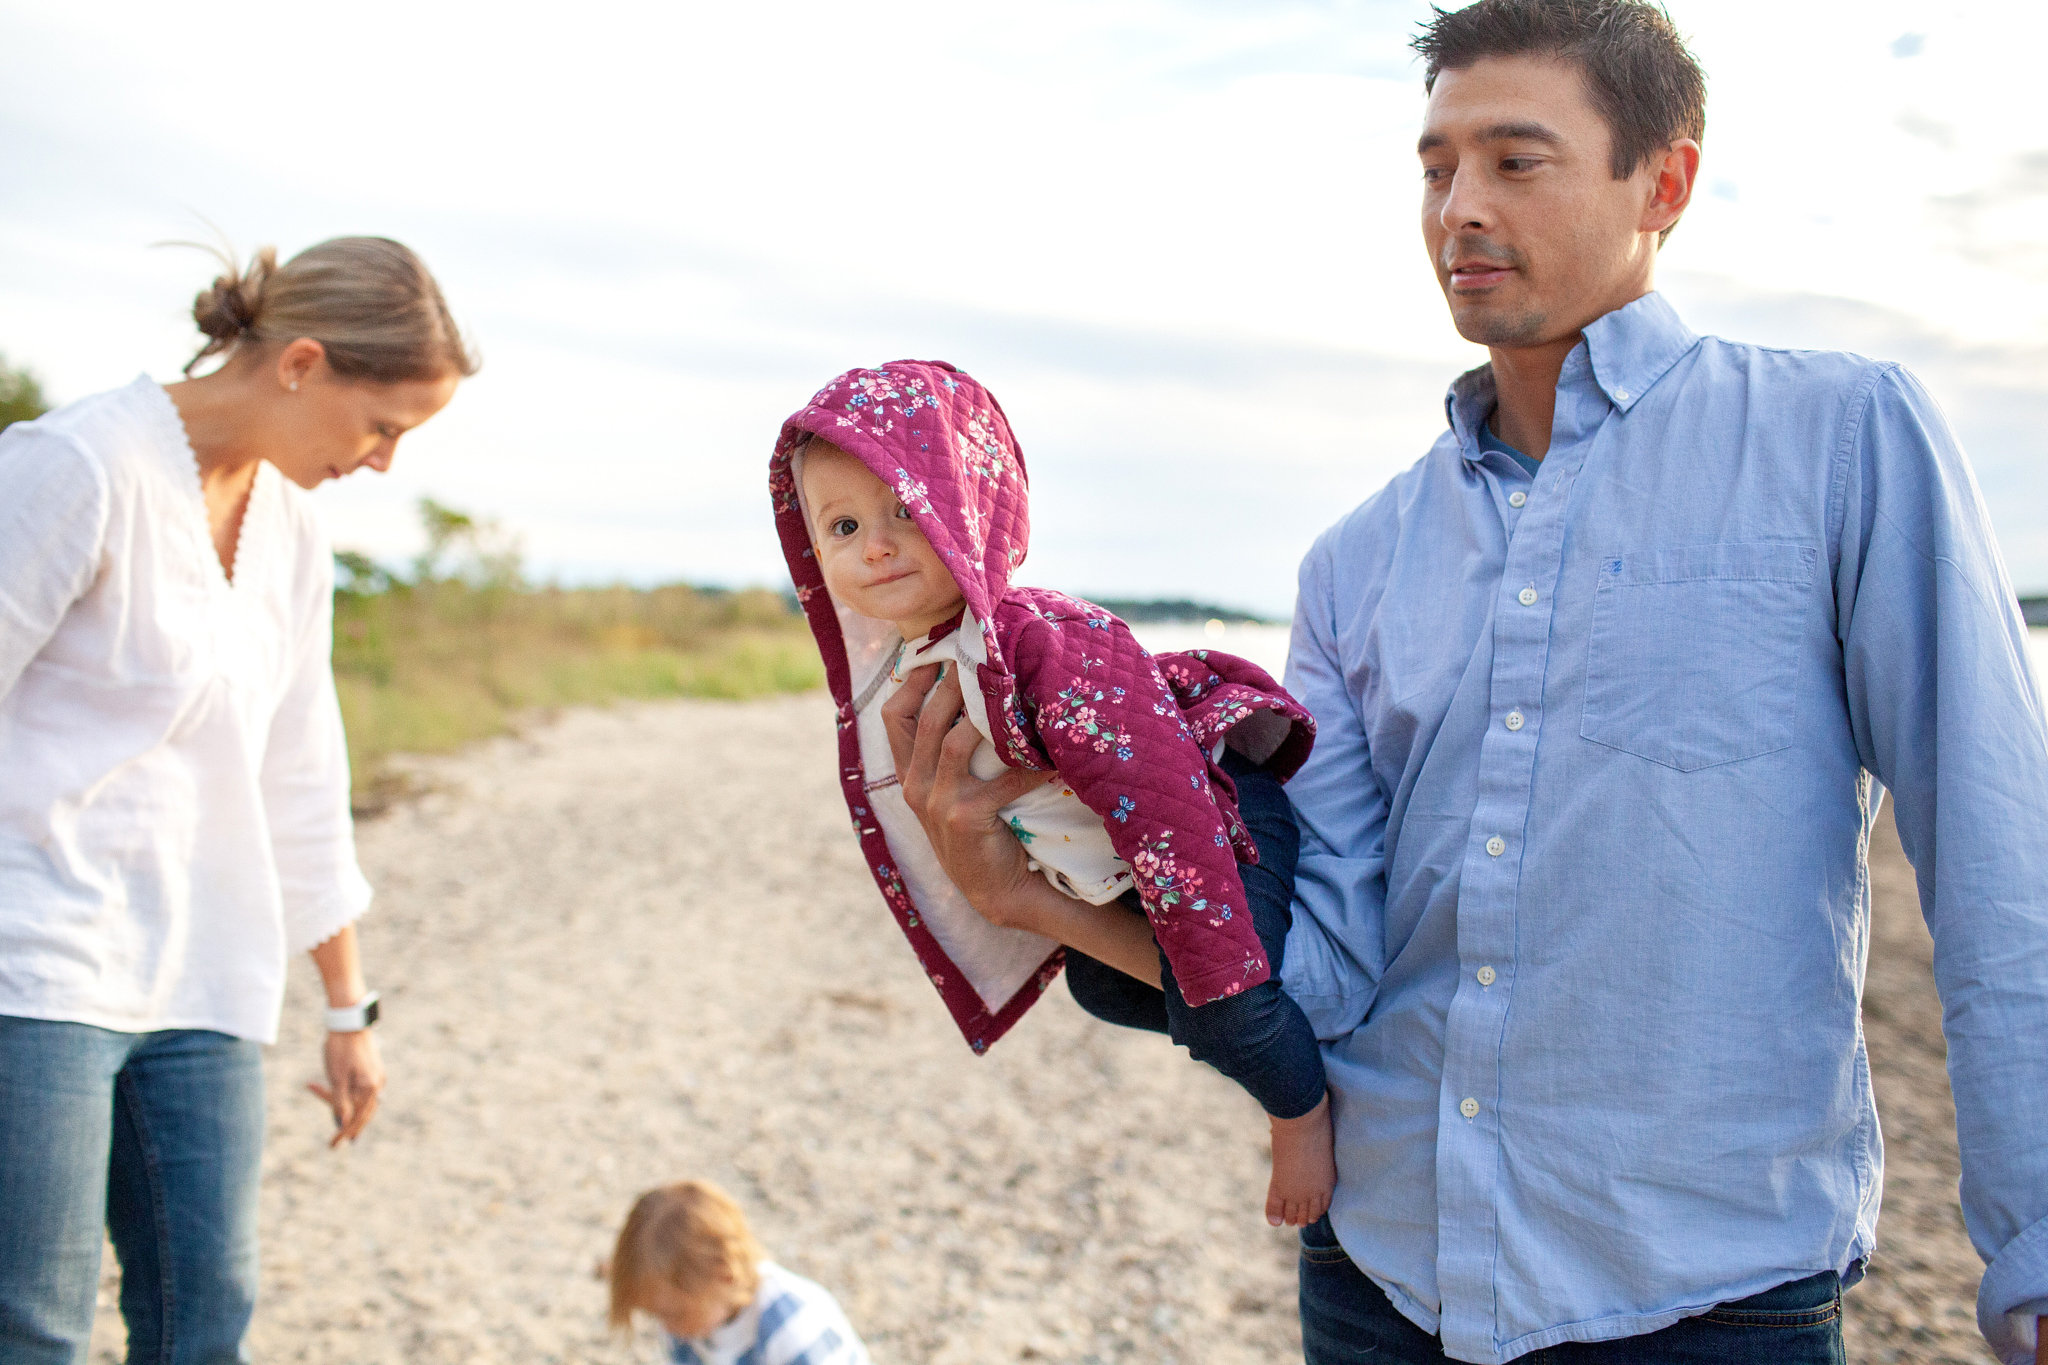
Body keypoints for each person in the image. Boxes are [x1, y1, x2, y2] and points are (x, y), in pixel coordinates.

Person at [1261, 2, 2048, 1362]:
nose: (1461, 208)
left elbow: (1996, 853)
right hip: (1384, 1280)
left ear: (1663, 183)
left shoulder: (1841, 441)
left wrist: (2034, 1242)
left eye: (1518, 160)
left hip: (1707, 1291)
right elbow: (1329, 954)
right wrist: (1049, 881)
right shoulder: (1354, 561)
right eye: (1437, 166)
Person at [0, 236, 475, 1363]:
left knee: (205, 1319)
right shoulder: (75, 468)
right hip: (36, 966)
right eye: (383, 428)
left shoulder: (292, 526)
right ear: (302, 364)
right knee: (36, 1327)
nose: (383, 464)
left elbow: (301, 770)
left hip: (206, 974)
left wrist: (347, 1008)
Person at [768, 360, 1334, 1225]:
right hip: (1128, 862)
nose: (875, 544)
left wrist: (1210, 956)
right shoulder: (918, 666)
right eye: (842, 525)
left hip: (1216, 814)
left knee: (1229, 995)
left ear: (974, 505)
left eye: (907, 510)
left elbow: (1161, 793)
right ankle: (1254, 1036)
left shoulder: (1043, 642)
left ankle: (1300, 1113)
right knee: (1099, 987)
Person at [607, 1179, 871, 1365]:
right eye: (657, 1316)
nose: (667, 1328)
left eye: (674, 1315)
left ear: (724, 1276)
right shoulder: (689, 1323)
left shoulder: (792, 1328)